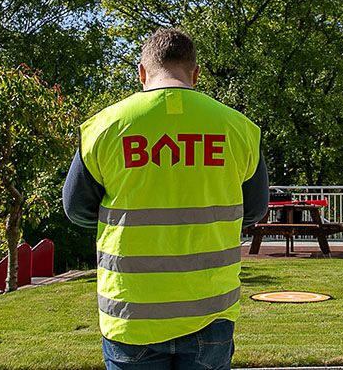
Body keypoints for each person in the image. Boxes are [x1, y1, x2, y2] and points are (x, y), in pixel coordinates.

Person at [63, 28, 270, 370]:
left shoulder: (104, 127)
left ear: (142, 73)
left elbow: (77, 210)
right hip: (210, 309)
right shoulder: (238, 128)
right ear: (196, 74)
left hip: (131, 310)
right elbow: (254, 210)